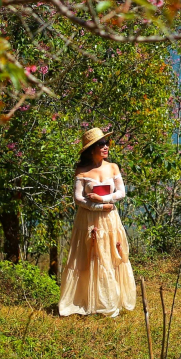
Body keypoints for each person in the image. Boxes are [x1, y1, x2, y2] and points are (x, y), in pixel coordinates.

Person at [58, 127, 136, 317]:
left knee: (110, 254)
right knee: (90, 255)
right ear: (91, 148)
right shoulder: (82, 170)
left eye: (106, 143)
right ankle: (86, 299)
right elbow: (78, 198)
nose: (105, 147)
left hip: (110, 219)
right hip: (89, 219)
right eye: (101, 144)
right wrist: (98, 207)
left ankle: (110, 300)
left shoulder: (113, 167)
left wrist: (103, 200)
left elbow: (121, 193)